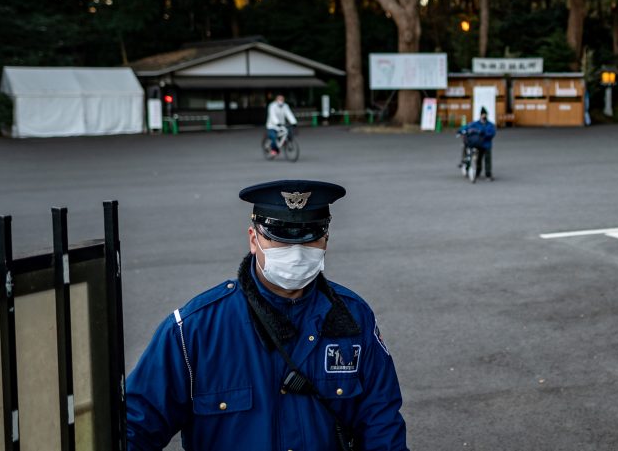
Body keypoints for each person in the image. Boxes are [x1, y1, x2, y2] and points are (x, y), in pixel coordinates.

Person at [125, 179, 409, 450]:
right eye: (281, 238)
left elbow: (381, 423)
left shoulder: (354, 318)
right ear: (253, 239)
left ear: (325, 240)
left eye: (310, 239)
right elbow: (135, 428)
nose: (296, 252)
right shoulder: (194, 330)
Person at [459, 107, 496, 182]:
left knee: (487, 160)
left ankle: (488, 174)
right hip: (478, 144)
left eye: (485, 115)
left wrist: (484, 134)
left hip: (486, 145)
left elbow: (492, 133)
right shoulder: (476, 124)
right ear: (480, 115)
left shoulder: (490, 125)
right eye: (483, 115)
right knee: (478, 159)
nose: (484, 116)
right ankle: (477, 172)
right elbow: (466, 127)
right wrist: (460, 131)